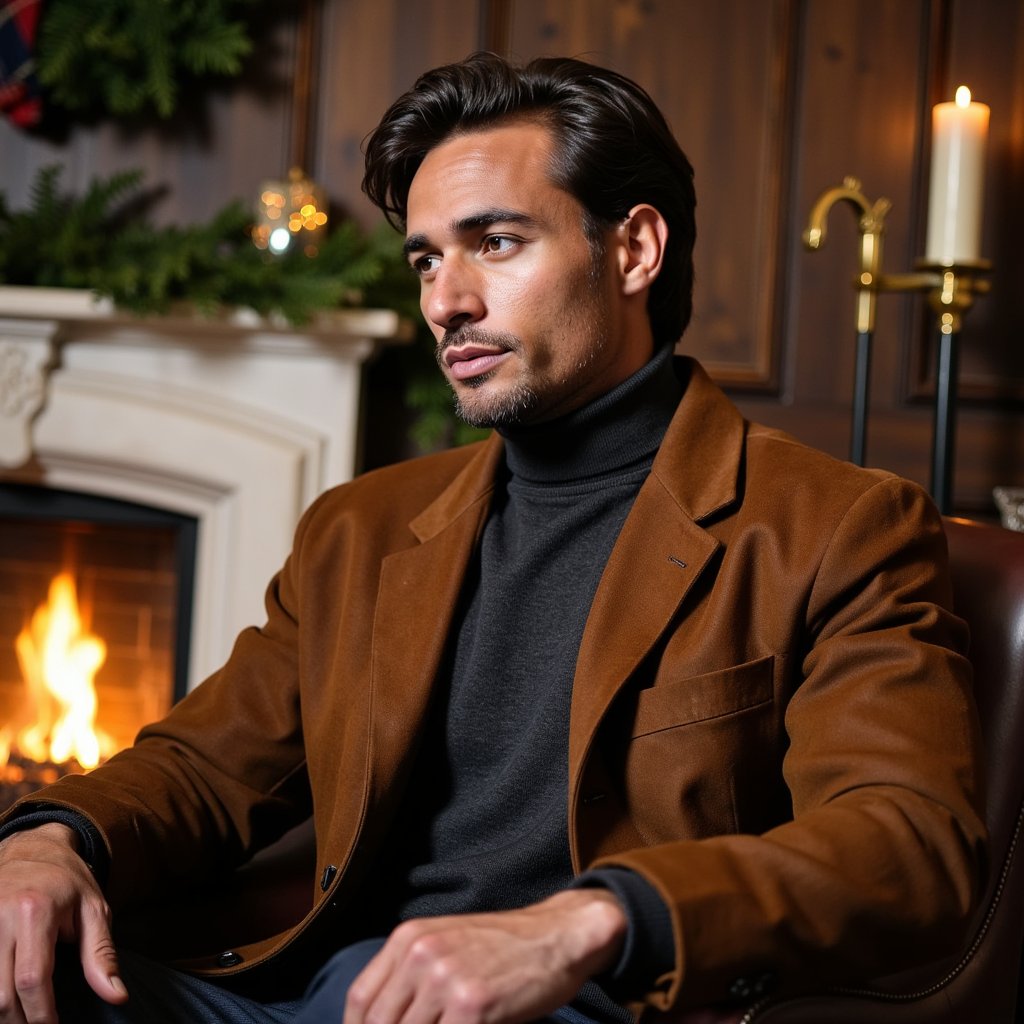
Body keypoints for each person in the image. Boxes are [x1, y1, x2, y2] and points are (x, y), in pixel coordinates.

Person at [0, 51, 987, 1024]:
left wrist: (595, 920)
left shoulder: (835, 526)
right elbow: (206, 766)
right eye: (426, 259)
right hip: (321, 996)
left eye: (497, 242)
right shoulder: (359, 529)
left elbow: (908, 841)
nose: (445, 302)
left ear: (634, 250)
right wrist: (53, 839)